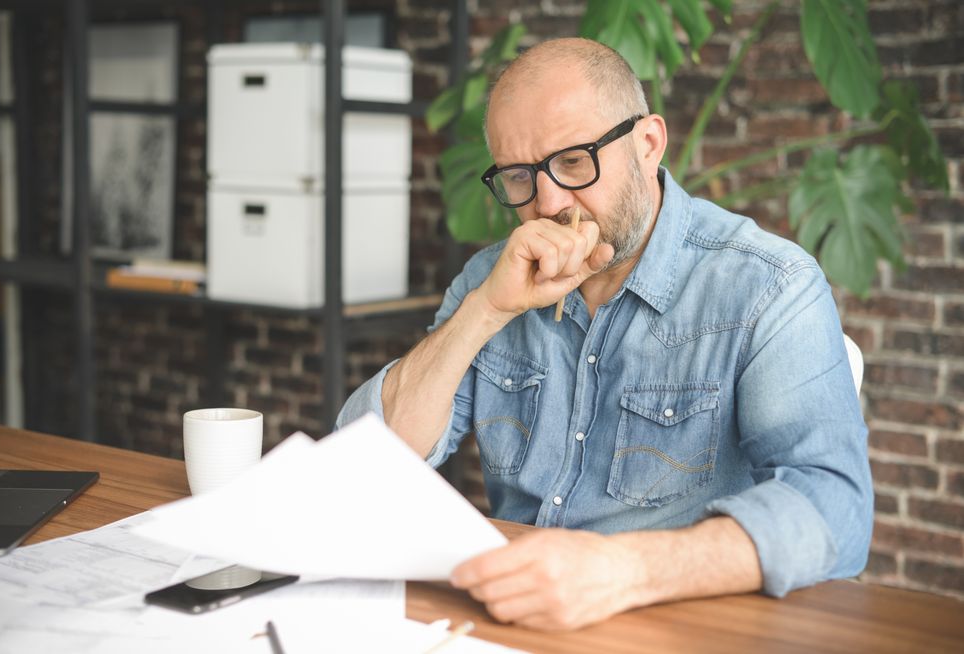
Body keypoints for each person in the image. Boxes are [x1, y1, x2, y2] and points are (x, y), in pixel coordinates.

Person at [337, 37, 872, 631]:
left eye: (572, 161)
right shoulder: (492, 280)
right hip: (507, 623)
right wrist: (483, 312)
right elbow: (365, 466)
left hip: (678, 629)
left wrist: (621, 571)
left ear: (647, 145)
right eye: (519, 175)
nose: (549, 202)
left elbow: (835, 509)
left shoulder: (768, 286)